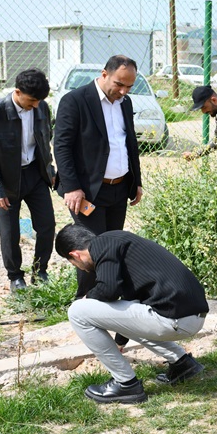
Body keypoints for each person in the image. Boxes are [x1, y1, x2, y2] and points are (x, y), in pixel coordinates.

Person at [55, 224, 209, 404]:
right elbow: (131, 305)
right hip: (192, 316)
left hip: (173, 319)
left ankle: (126, 384)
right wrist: (120, 341)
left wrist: (87, 297)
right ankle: (183, 364)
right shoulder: (117, 242)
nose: (79, 268)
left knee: (77, 311)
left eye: (73, 264)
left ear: (75, 255)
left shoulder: (102, 246)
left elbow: (108, 290)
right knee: (124, 309)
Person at [53, 55, 144, 298]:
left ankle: (109, 296)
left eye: (129, 86)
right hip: (87, 191)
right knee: (90, 249)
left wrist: (136, 182)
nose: (123, 91)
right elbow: (61, 146)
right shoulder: (75, 100)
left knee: (113, 245)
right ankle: (85, 302)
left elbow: (129, 144)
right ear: (104, 74)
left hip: (119, 187)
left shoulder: (125, 103)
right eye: (119, 84)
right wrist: (72, 187)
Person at [0, 68, 56, 293]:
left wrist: (49, 170)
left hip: (35, 175)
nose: (35, 105)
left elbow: (44, 142)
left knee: (47, 225)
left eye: (39, 101)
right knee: (10, 231)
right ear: (17, 91)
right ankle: (15, 277)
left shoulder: (41, 107)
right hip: (6, 181)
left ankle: (40, 271)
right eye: (31, 100)